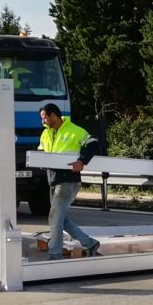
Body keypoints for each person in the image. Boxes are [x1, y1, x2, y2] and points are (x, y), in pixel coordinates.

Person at [39, 103, 102, 260]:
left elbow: (93, 143)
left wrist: (82, 161)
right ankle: (90, 243)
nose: (43, 122)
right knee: (61, 218)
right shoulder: (45, 134)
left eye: (44, 118)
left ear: (53, 115)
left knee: (55, 216)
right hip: (53, 180)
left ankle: (55, 254)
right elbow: (41, 151)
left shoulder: (74, 130)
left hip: (68, 181)